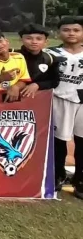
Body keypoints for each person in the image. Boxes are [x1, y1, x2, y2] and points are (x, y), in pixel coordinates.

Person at [45, 17, 83, 196]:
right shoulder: (50, 53)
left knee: (82, 141)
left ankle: (80, 179)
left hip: (82, 101)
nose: (71, 33)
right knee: (59, 141)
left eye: (76, 30)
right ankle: (57, 174)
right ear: (59, 32)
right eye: (66, 30)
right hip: (60, 99)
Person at [0, 30, 31, 102]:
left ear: (7, 41)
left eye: (0, 41)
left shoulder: (19, 57)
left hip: (14, 102)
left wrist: (16, 87)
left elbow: (24, 80)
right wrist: (1, 78)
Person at [14, 24, 60, 98]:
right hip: (9, 98)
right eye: (29, 38)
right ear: (21, 39)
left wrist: (37, 85)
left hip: (37, 100)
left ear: (46, 41)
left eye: (39, 39)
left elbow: (54, 81)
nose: (34, 42)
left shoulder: (50, 59)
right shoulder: (12, 56)